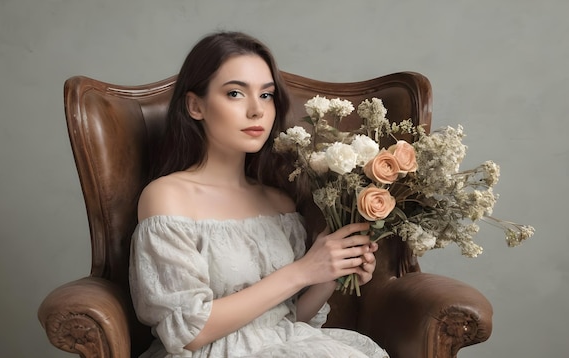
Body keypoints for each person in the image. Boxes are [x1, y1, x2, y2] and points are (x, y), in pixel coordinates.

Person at [129, 31, 389, 358]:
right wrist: (303, 270)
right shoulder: (168, 197)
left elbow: (287, 318)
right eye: (235, 93)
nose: (257, 111)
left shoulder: (278, 201)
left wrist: (330, 273)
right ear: (195, 105)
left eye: (266, 96)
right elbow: (190, 332)